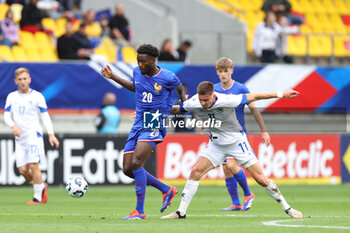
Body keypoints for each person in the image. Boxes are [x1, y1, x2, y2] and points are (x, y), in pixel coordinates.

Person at [161, 81, 303, 219]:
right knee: (195, 171)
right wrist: (149, 114)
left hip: (237, 143)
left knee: (261, 179)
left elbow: (255, 96)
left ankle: (287, 208)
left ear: (213, 95)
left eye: (206, 100)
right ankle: (181, 212)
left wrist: (281, 94)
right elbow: (176, 109)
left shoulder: (228, 100)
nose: (203, 104)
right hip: (216, 145)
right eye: (201, 100)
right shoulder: (194, 102)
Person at [100, 43, 186, 220]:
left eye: (143, 61)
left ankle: (139, 211)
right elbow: (136, 87)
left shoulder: (168, 77)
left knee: (137, 161)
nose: (139, 64)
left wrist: (183, 104)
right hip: (139, 120)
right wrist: (113, 77)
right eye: (138, 61)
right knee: (127, 168)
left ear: (153, 61)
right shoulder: (136, 72)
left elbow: (179, 88)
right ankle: (166, 189)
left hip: (154, 120)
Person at [213, 57, 270, 211]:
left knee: (231, 165)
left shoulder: (241, 89)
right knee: (226, 168)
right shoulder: (215, 89)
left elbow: (254, 110)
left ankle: (248, 194)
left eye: (226, 71)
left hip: (237, 135)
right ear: (217, 72)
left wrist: (263, 131)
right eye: (220, 71)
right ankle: (236, 203)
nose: (223, 74)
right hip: (221, 134)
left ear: (231, 71)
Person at [3, 67, 60, 204]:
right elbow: (6, 115)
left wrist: (51, 134)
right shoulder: (12, 97)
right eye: (20, 79)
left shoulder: (37, 97)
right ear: (15, 81)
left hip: (34, 135)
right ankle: (41, 186)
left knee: (34, 165)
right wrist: (13, 126)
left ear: (30, 79)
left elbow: (45, 116)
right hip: (20, 138)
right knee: (22, 170)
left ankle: (37, 198)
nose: (23, 82)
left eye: (25, 79)